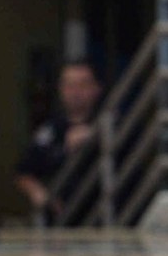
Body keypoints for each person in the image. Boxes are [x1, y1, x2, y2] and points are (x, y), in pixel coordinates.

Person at [15, 60, 102, 221]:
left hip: (103, 218)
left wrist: (94, 139)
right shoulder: (50, 129)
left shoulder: (111, 125)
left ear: (96, 89)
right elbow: (24, 171)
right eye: (69, 85)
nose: (75, 92)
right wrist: (38, 193)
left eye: (83, 85)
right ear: (61, 89)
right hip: (60, 222)